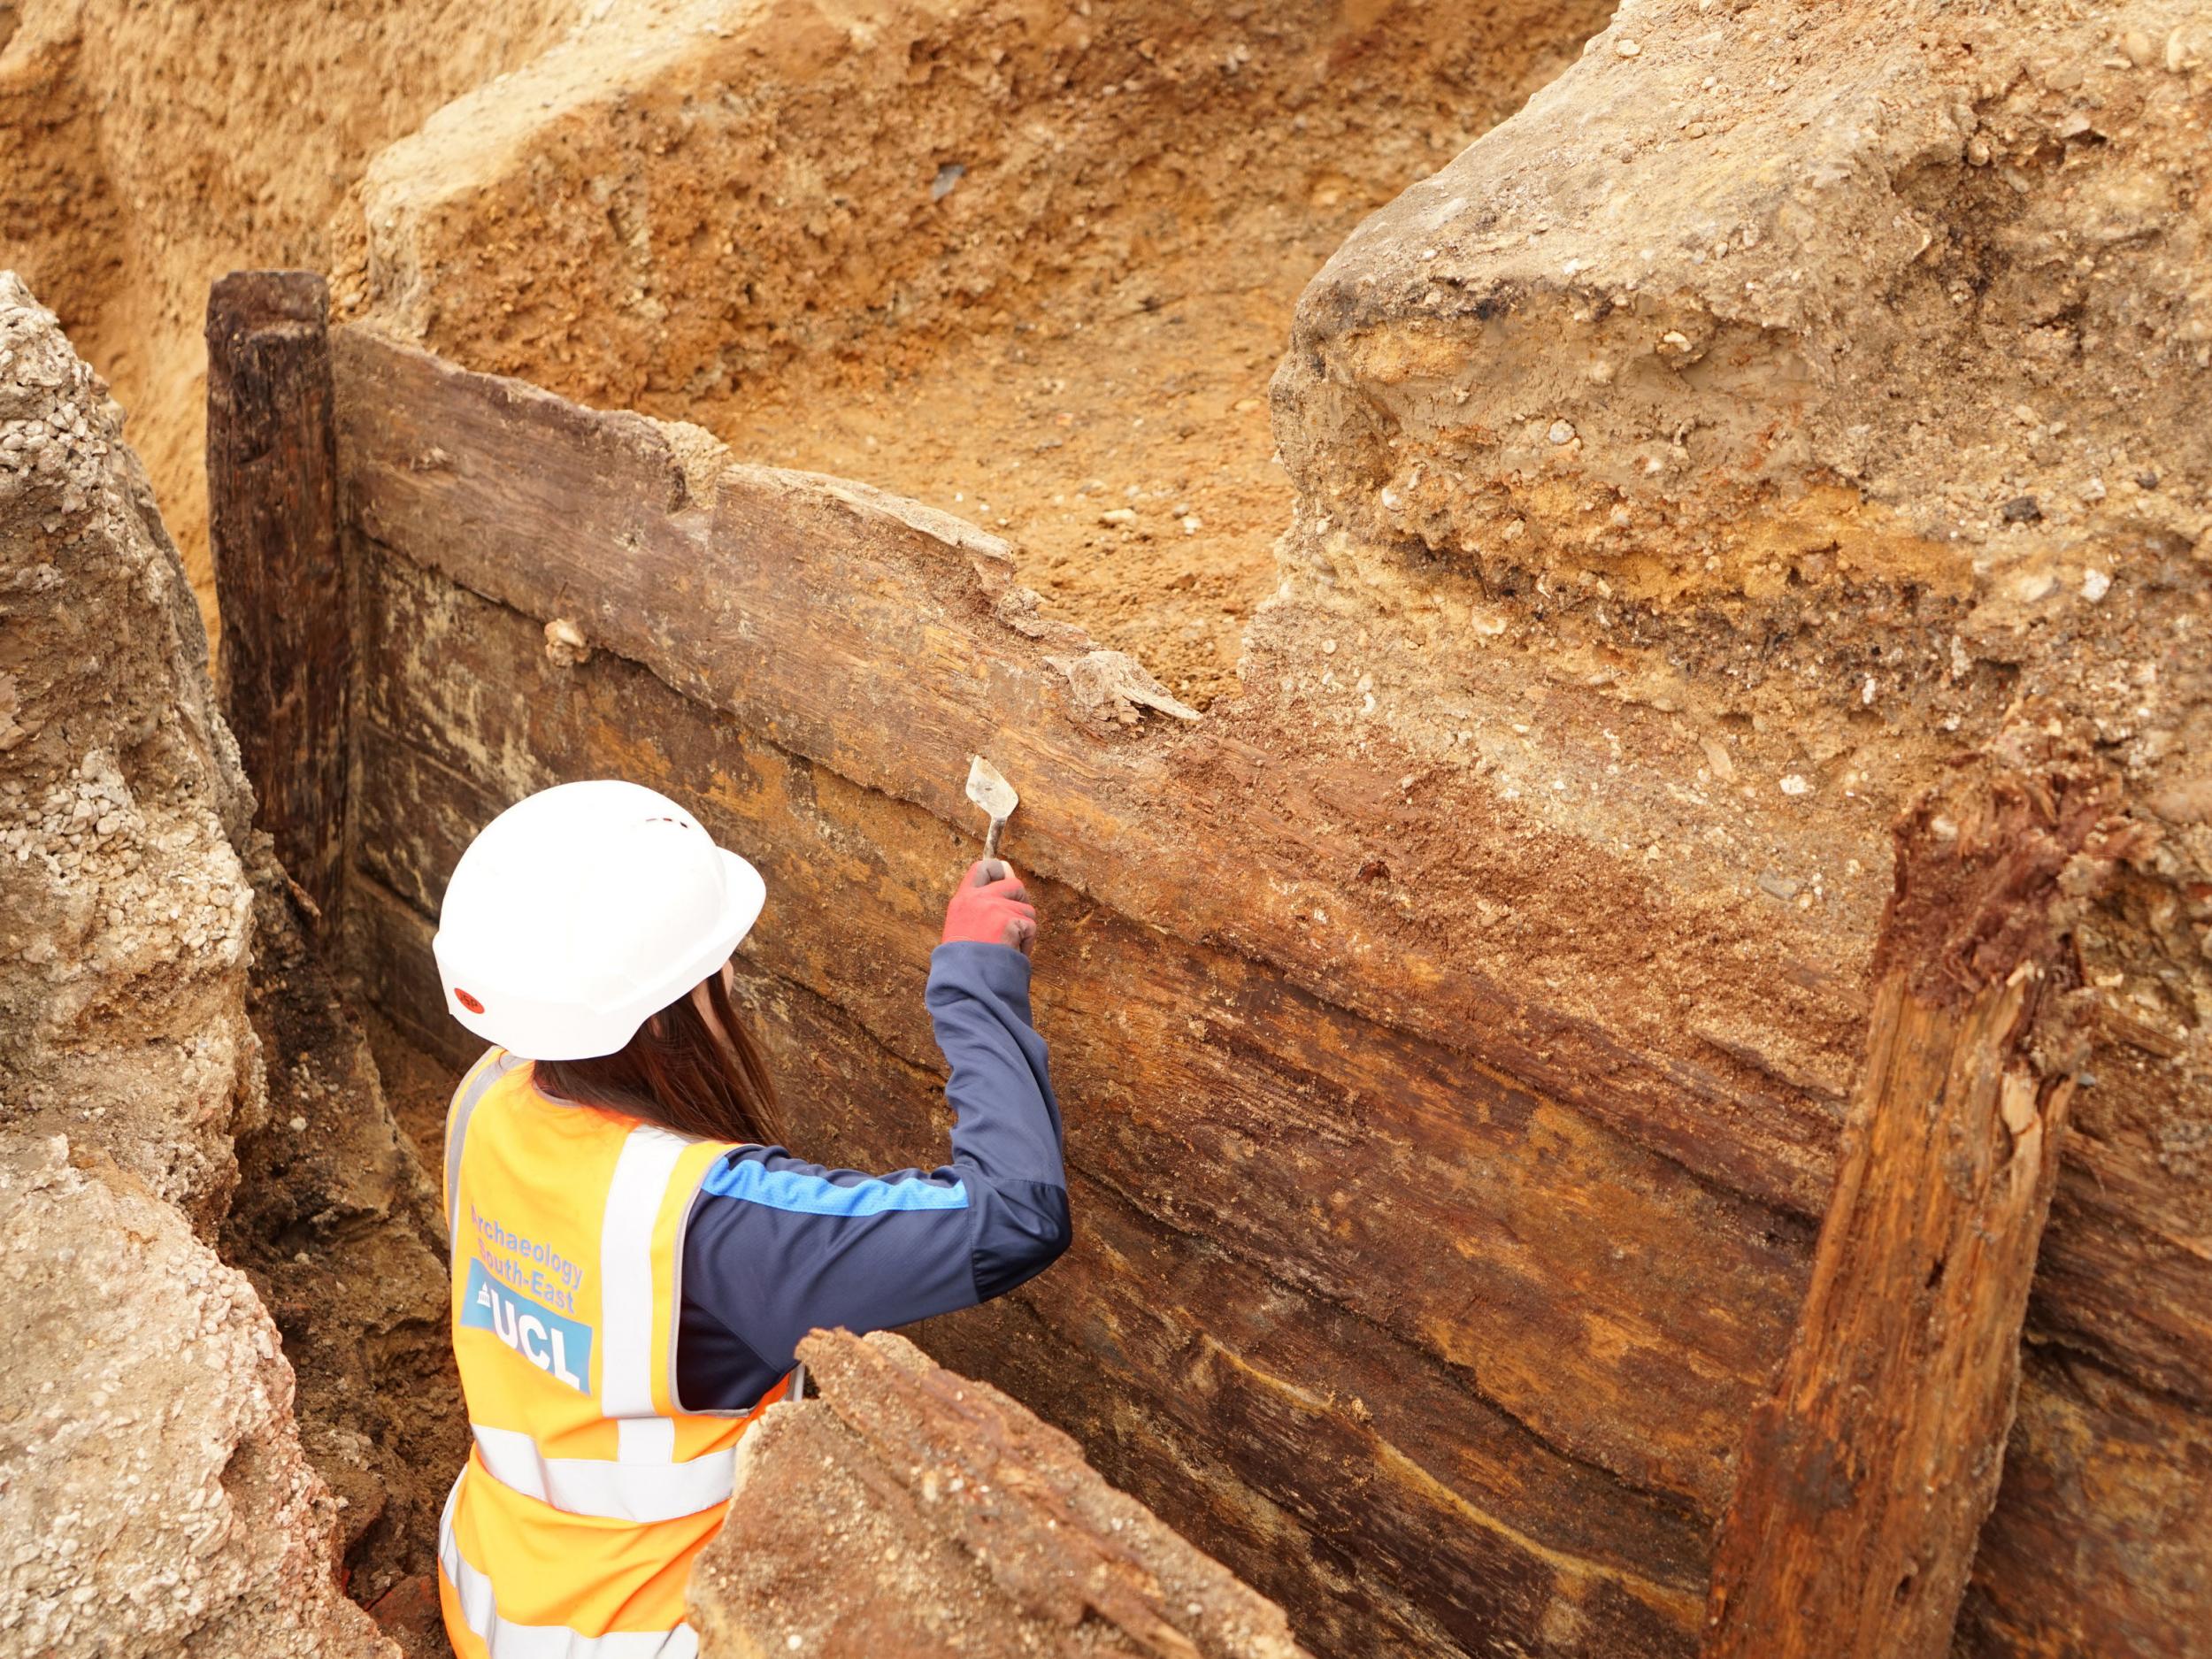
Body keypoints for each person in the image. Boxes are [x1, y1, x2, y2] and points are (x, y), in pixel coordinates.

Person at [427, 780, 1067, 1658]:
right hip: (649, 1634)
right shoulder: (706, 1226)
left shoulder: (487, 1100)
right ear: (662, 1015)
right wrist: (977, 988)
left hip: (491, 1597)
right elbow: (1014, 1216)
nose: (730, 974)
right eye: (715, 960)